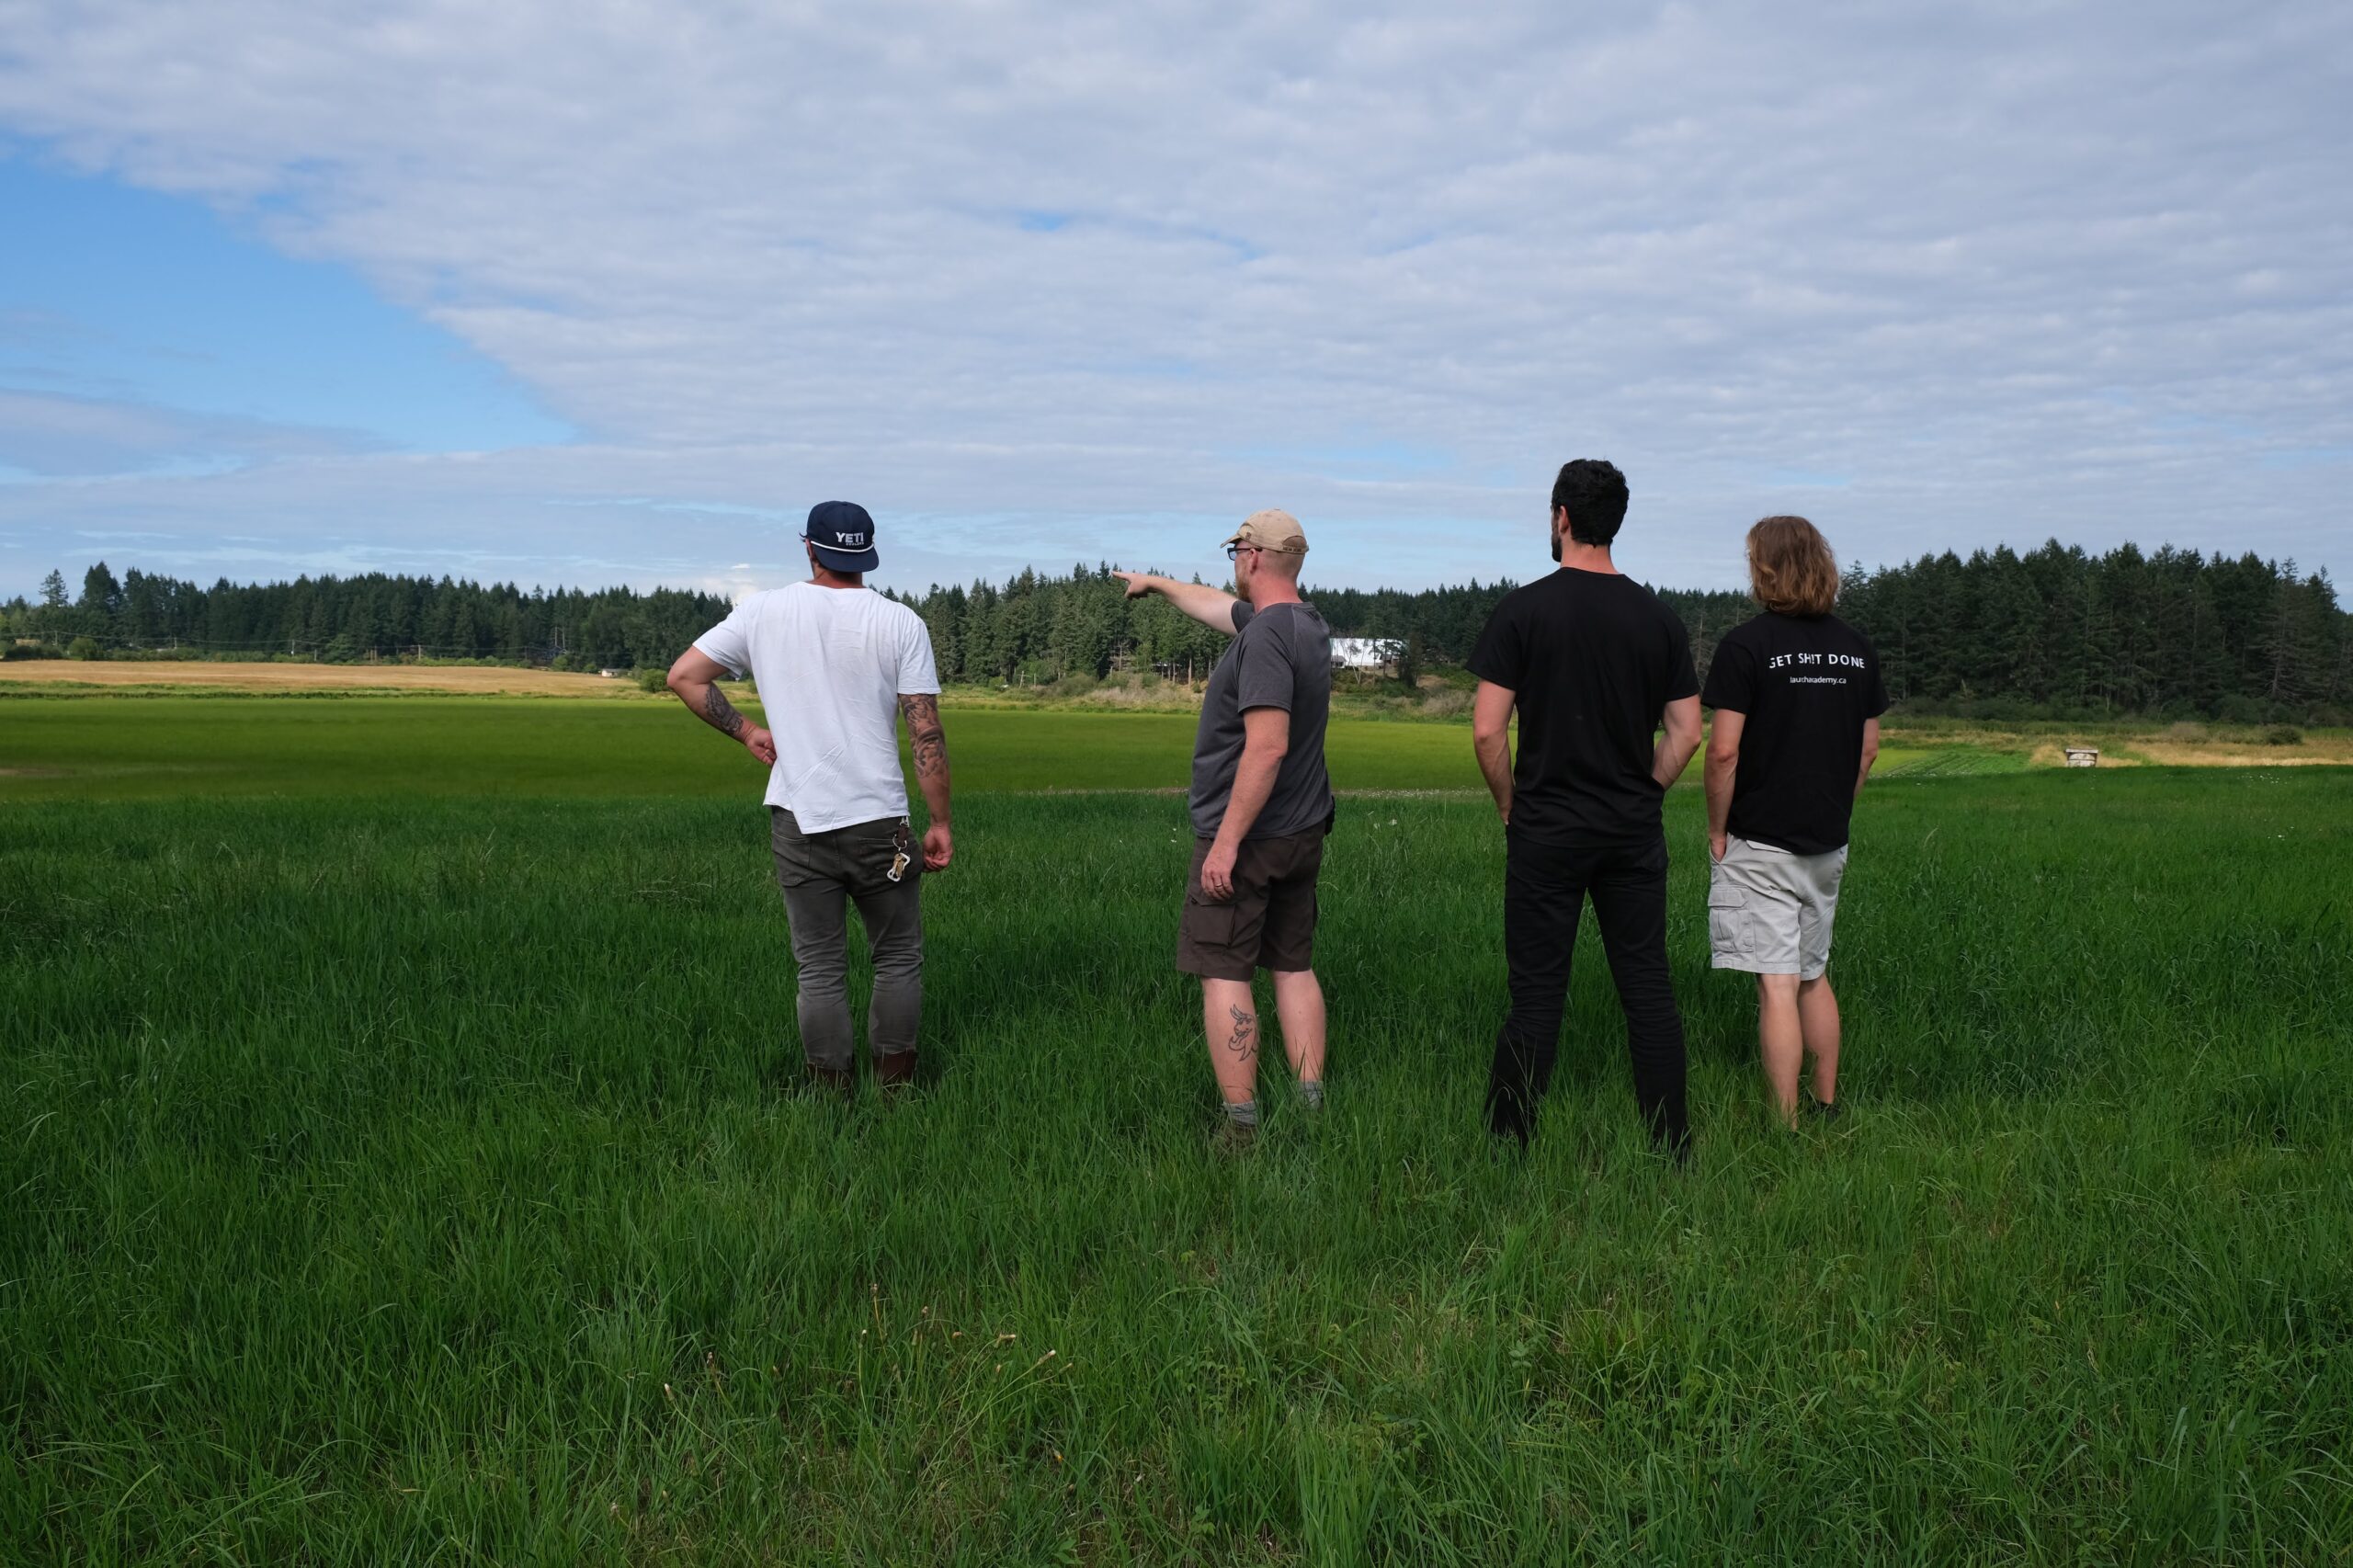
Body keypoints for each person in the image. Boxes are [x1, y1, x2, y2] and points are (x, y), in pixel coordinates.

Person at [666, 500, 953, 1096]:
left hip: (799, 818)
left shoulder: (762, 612)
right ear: (868, 553)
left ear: (809, 548)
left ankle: (830, 1100)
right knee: (897, 958)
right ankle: (896, 1094)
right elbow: (925, 733)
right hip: (882, 823)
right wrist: (940, 821)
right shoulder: (901, 622)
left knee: (819, 967)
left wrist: (747, 731)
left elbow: (684, 676)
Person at [1469, 460, 1704, 1154]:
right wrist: (1644, 790)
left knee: (1537, 995)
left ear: (1562, 517)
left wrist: (1511, 806)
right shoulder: (1658, 619)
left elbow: (1487, 731)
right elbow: (1688, 733)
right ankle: (1671, 1145)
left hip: (1545, 829)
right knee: (1648, 990)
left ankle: (1508, 1146)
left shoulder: (1523, 611)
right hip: (1631, 832)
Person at [1114, 510, 1335, 1147]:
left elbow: (1267, 746)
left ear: (1253, 556)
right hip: (1301, 832)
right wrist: (1156, 584)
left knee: (1225, 972)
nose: (1233, 561)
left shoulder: (1265, 640)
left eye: (1236, 550)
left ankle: (1241, 1129)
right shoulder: (1306, 625)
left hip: (1251, 839)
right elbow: (1215, 607)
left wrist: (1227, 844)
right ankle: (1310, 1108)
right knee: (1292, 965)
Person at [1700, 515, 1886, 1126]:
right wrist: (1839, 809)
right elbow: (1868, 750)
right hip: (1827, 840)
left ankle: (1784, 1125)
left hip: (1761, 840)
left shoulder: (1745, 646)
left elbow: (1723, 753)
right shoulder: (1857, 649)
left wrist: (1717, 830)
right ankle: (1826, 1104)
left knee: (1776, 984)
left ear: (1764, 568)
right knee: (1813, 975)